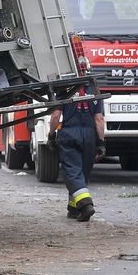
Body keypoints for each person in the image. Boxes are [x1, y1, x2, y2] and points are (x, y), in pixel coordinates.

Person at [49, 90, 105, 222]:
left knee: (72, 171)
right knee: (82, 172)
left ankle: (85, 204)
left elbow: (56, 116)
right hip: (89, 135)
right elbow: (99, 119)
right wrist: (101, 142)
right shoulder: (94, 90)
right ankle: (73, 209)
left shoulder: (65, 89)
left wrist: (51, 135)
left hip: (70, 133)